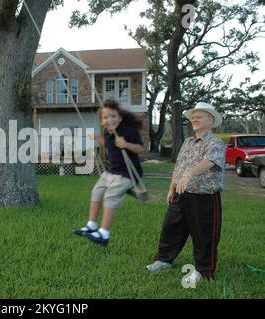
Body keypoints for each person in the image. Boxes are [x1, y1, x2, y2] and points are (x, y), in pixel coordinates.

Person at [147, 102, 225, 286]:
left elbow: (209, 162)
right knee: (171, 227)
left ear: (210, 120)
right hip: (181, 194)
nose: (194, 119)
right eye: (193, 116)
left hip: (204, 196)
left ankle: (204, 271)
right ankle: (164, 260)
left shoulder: (215, 142)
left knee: (203, 234)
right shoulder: (188, 142)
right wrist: (171, 187)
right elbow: (179, 165)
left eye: (199, 116)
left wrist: (190, 174)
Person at [73, 99, 144, 247]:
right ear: (102, 121)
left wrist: (126, 144)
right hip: (112, 171)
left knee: (110, 196)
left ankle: (104, 234)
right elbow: (108, 143)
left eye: (113, 116)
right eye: (105, 118)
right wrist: (96, 138)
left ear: (120, 117)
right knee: (96, 192)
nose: (109, 120)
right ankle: (91, 225)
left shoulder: (129, 131)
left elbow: (141, 149)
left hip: (128, 173)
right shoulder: (107, 132)